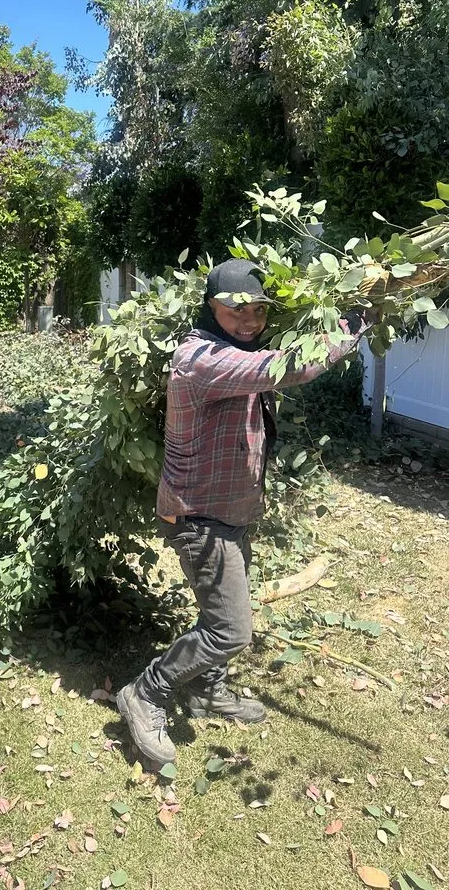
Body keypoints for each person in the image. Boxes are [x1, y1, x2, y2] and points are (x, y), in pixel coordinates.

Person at [116, 258, 369, 769]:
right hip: (199, 517)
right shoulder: (201, 358)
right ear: (211, 307)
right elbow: (289, 367)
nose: (250, 321)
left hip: (231, 510)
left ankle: (207, 690)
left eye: (259, 310)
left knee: (220, 613)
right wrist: (353, 324)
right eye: (237, 311)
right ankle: (146, 692)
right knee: (230, 630)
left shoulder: (238, 348)